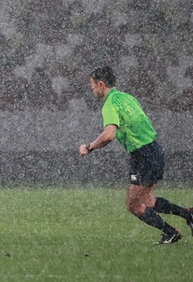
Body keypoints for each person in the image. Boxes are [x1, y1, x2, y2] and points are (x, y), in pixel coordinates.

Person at [79, 66, 193, 244]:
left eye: (92, 85)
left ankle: (170, 232)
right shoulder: (127, 97)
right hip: (153, 149)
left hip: (143, 154)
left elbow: (109, 134)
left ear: (101, 84)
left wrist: (89, 147)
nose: (91, 89)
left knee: (133, 205)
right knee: (147, 200)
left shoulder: (110, 104)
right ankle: (187, 215)